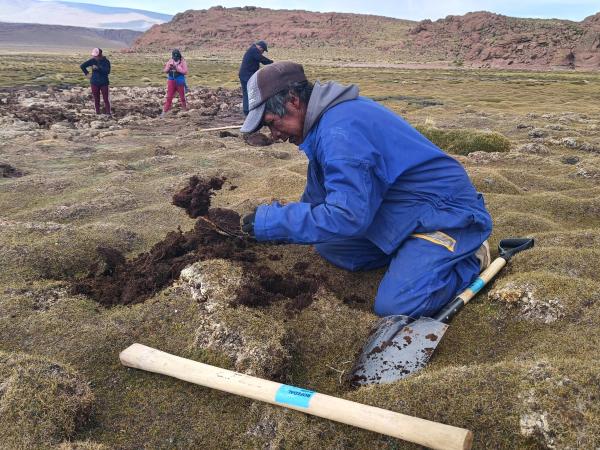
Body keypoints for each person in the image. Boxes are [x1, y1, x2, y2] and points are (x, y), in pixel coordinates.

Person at [240, 61, 492, 318]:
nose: (274, 135)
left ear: (293, 101)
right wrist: (270, 228)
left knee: (397, 306)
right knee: (329, 245)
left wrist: (272, 221)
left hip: (445, 216)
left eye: (272, 122)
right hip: (402, 211)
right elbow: (318, 199)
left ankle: (470, 256)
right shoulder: (325, 125)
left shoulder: (341, 132)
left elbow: (346, 216)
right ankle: (409, 258)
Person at [239, 40, 273, 116]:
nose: (263, 52)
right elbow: (261, 59)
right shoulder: (254, 50)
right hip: (246, 75)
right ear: (260, 47)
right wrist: (271, 62)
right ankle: (248, 111)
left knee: (249, 92)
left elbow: (261, 60)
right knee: (249, 93)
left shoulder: (253, 50)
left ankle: (248, 110)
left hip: (246, 75)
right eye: (263, 50)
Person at [80, 48, 111, 115]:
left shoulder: (106, 61)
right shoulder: (92, 60)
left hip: (104, 82)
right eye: (94, 56)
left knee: (106, 99)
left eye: (95, 56)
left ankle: (108, 113)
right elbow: (82, 66)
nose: (94, 57)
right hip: (94, 82)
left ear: (100, 55)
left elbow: (108, 71)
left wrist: (98, 68)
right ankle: (97, 113)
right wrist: (87, 73)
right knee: (96, 99)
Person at [161, 49, 188, 116]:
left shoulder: (182, 62)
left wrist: (177, 68)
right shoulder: (170, 61)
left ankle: (185, 110)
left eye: (176, 57)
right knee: (169, 97)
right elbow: (165, 70)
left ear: (179, 56)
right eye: (174, 57)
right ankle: (164, 112)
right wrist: (169, 68)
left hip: (179, 81)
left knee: (182, 97)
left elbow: (185, 71)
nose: (175, 58)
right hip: (171, 81)